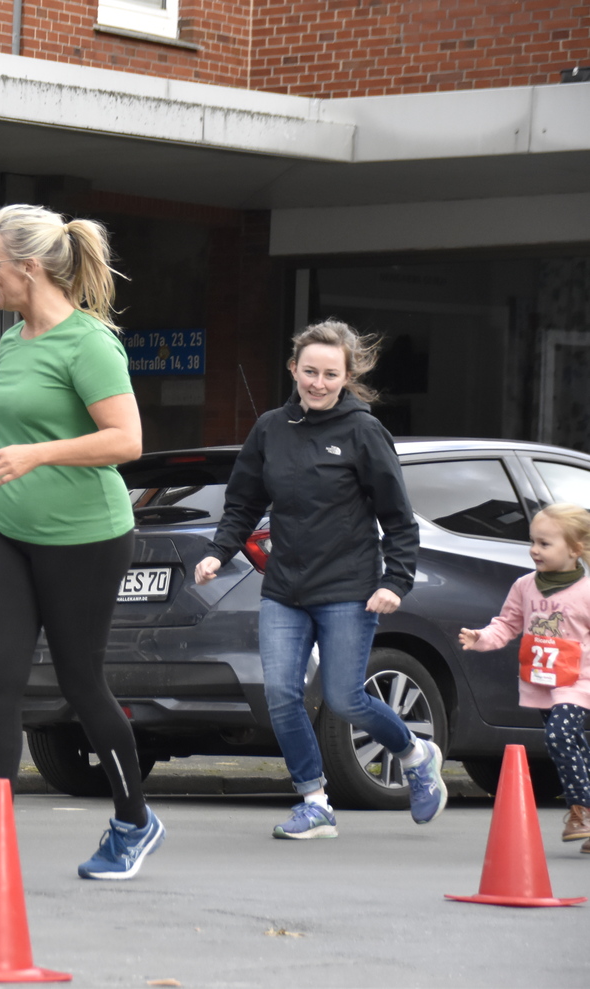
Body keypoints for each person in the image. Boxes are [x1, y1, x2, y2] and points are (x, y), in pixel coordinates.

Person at [0, 204, 161, 882]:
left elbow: (127, 440)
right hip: (10, 530)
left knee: (81, 683)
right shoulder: (12, 340)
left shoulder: (89, 343)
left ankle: (135, 820)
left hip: (86, 537)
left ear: (29, 269)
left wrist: (34, 458)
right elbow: (9, 439)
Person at [195, 319, 445, 840]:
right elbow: (242, 502)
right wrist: (219, 553)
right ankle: (314, 802)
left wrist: (395, 582)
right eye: (309, 371)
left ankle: (416, 754)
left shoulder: (364, 432)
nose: (318, 383)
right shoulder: (270, 429)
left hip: (349, 589)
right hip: (286, 589)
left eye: (330, 374)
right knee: (282, 694)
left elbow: (398, 518)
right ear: (293, 369)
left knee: (346, 697)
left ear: (346, 376)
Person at [460, 503, 590, 853]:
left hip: (579, 681)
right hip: (541, 680)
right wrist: (482, 637)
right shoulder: (524, 586)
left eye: (545, 544)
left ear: (574, 549)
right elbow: (507, 623)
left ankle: (582, 811)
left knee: (560, 735)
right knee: (573, 744)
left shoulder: (586, 592)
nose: (535, 550)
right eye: (533, 541)